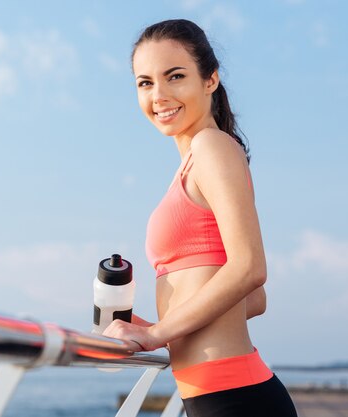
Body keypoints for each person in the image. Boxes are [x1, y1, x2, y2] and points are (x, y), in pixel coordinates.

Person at [102, 19, 298, 416]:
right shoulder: (196, 163)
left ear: (210, 80)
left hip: (234, 398)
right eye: (145, 82)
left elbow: (250, 270)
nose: (159, 95)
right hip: (219, 395)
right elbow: (254, 301)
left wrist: (157, 333)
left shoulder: (212, 147)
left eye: (175, 76)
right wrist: (160, 323)